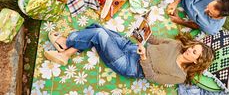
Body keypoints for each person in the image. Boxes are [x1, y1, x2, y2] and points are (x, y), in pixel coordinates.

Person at [44, 23, 213, 85]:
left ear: (196, 61)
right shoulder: (177, 45)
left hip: (129, 64)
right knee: (97, 26)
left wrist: (144, 58)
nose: (190, 49)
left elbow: (152, 77)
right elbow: (153, 39)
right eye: (193, 47)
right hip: (131, 47)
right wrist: (142, 29)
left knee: (99, 34)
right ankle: (66, 54)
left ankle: (66, 43)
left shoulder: (179, 76)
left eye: (194, 52)